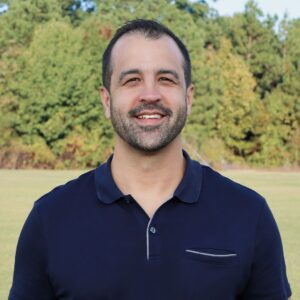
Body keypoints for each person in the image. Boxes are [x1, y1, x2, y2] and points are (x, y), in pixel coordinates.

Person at [9, 19, 292, 300]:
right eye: (132, 80)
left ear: (189, 98)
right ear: (107, 100)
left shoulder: (249, 214)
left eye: (166, 79)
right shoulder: (49, 220)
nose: (150, 95)